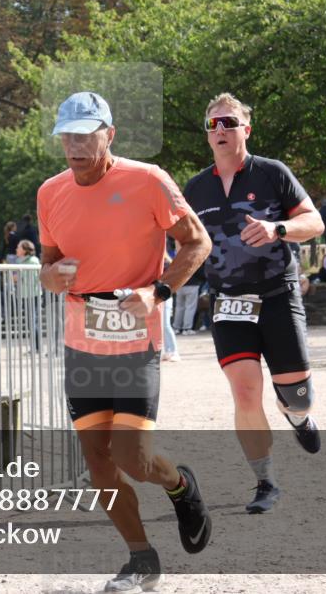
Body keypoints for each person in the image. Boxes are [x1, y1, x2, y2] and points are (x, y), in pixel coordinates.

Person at [38, 91, 212, 591]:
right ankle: (141, 559)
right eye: (67, 135)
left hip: (135, 339)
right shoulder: (51, 192)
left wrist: (157, 291)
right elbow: (49, 264)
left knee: (132, 459)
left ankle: (181, 486)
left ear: (108, 135)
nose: (74, 144)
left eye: (85, 134)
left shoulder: (148, 181)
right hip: (82, 342)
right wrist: (49, 277)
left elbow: (197, 241)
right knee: (98, 465)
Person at [183, 92, 323, 517]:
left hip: (277, 295)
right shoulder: (196, 187)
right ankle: (265, 481)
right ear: (207, 135)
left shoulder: (271, 174)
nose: (220, 130)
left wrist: (278, 227)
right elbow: (183, 242)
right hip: (228, 302)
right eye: (213, 125)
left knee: (296, 395)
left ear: (246, 128)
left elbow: (313, 221)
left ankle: (298, 417)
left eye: (228, 122)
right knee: (245, 391)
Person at [173, 261, 204, 335]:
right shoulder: (195, 259)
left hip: (180, 284)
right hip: (193, 284)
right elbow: (201, 273)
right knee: (190, 307)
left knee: (179, 307)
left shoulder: (180, 258)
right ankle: (186, 329)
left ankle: (176, 328)